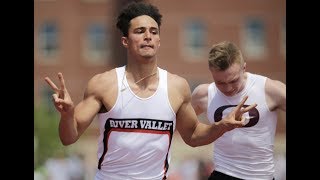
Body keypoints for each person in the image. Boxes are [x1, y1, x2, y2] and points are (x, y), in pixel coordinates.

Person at [44, 2, 256, 180]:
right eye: (140, 31)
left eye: (153, 32)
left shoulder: (177, 87)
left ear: (159, 41)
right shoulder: (103, 84)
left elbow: (192, 135)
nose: (148, 36)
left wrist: (222, 126)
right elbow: (69, 137)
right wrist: (67, 115)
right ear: (125, 41)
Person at [191, 41, 286, 180]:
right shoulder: (203, 95)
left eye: (234, 81)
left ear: (244, 68)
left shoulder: (270, 90)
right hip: (223, 173)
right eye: (221, 83)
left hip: (261, 176)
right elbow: (182, 128)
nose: (228, 88)